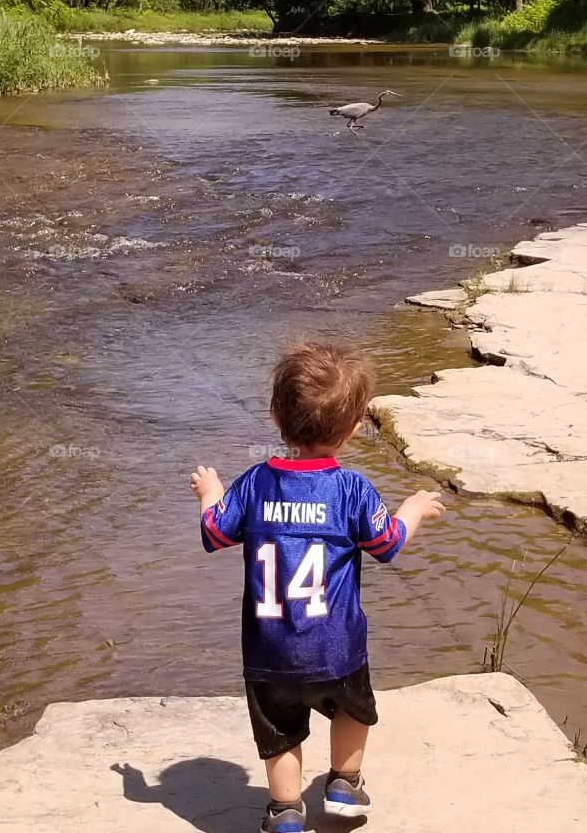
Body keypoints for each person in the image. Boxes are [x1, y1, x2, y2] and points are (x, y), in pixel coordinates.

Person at [189, 340, 445, 833]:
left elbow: (214, 533)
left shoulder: (255, 482)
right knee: (352, 710)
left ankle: (285, 811)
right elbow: (387, 544)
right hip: (337, 647)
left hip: (269, 650)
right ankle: (344, 785)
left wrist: (210, 493)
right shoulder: (350, 489)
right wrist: (412, 510)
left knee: (280, 731)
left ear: (275, 416)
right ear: (351, 430)